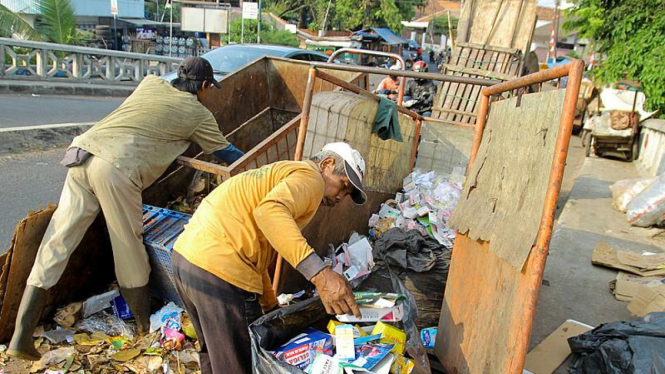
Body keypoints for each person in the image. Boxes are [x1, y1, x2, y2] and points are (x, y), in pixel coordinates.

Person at [8, 57, 245, 361]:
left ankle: (22, 333)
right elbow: (225, 152)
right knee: (127, 244)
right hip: (115, 168)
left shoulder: (150, 83)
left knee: (58, 240)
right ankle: (146, 325)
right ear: (203, 86)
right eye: (210, 88)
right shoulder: (197, 113)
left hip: (81, 154)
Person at [172, 142, 366, 374]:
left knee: (216, 356)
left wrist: (270, 305)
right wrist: (321, 274)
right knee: (240, 364)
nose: (340, 197)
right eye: (343, 186)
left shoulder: (283, 173)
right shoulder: (311, 179)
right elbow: (269, 212)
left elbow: (258, 249)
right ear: (326, 164)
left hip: (187, 259)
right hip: (220, 270)